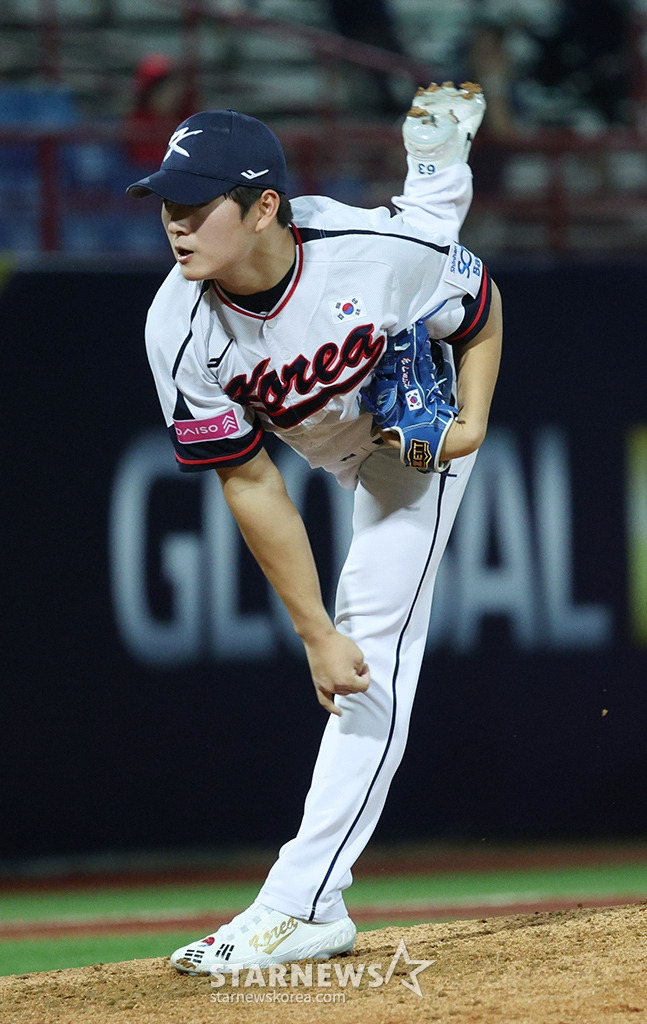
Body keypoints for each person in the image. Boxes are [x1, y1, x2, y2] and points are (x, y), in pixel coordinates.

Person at [126, 84, 501, 973]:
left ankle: (299, 903)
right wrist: (310, 633)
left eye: (195, 205)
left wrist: (472, 425)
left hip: (406, 446)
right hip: (325, 438)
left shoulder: (367, 253)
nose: (173, 224)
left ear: (263, 208)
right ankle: (438, 162)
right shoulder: (176, 328)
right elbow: (250, 480)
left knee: (372, 652)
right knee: (341, 641)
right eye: (165, 205)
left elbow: (478, 308)